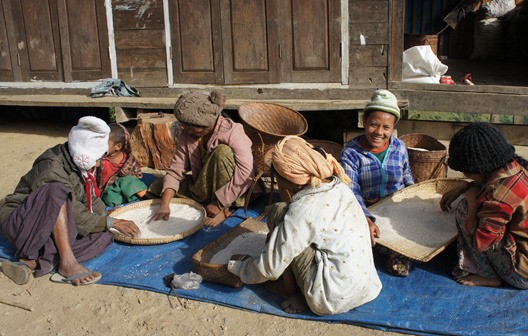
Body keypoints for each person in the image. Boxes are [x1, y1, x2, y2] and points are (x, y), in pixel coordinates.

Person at [228, 136, 382, 316]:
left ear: (287, 179)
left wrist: (239, 266)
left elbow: (269, 268)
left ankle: (289, 288)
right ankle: (301, 284)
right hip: (367, 287)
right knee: (283, 216)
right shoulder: (339, 186)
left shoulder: (304, 209)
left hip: (330, 297)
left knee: (279, 214)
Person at [0, 116, 140, 286]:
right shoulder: (51, 166)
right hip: (22, 224)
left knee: (105, 234)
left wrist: (107, 214)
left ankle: (37, 262)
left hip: (50, 225)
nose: (98, 163)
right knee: (56, 190)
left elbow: (88, 197)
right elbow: (74, 211)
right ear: (84, 155)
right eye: (97, 158)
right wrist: (111, 221)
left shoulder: (75, 163)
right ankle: (67, 262)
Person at [440, 122, 528, 289]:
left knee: (464, 209)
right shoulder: (514, 167)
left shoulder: (499, 194)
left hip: (527, 277)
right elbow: (483, 183)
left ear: (477, 170)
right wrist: (465, 187)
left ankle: (487, 275)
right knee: (473, 199)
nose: (466, 176)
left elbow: (481, 243)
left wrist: (472, 205)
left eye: (467, 173)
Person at [151, 91, 256, 227]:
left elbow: (246, 173)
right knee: (159, 187)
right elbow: (176, 169)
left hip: (235, 187)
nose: (187, 131)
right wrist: (164, 205)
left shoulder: (233, 132)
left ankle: (226, 210)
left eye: (191, 127)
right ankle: (207, 201)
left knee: (222, 152)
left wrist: (219, 203)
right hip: (205, 182)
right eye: (185, 127)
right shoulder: (188, 134)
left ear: (207, 123)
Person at [340, 89, 415, 276]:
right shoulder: (351, 153)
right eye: (374, 125)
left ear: (393, 127)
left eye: (386, 127)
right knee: (350, 260)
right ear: (364, 121)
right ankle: (374, 243)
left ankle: (385, 245)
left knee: (399, 269)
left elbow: (407, 177)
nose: (379, 132)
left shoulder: (399, 147)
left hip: (395, 210)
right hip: (364, 209)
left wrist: (414, 203)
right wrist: (366, 219)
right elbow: (351, 191)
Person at [96, 123, 147, 207]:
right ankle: (132, 198)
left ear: (118, 146)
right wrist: (92, 165)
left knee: (128, 181)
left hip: (126, 187)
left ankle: (147, 197)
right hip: (109, 190)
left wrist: (125, 178)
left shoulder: (128, 160)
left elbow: (137, 176)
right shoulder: (99, 159)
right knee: (110, 199)